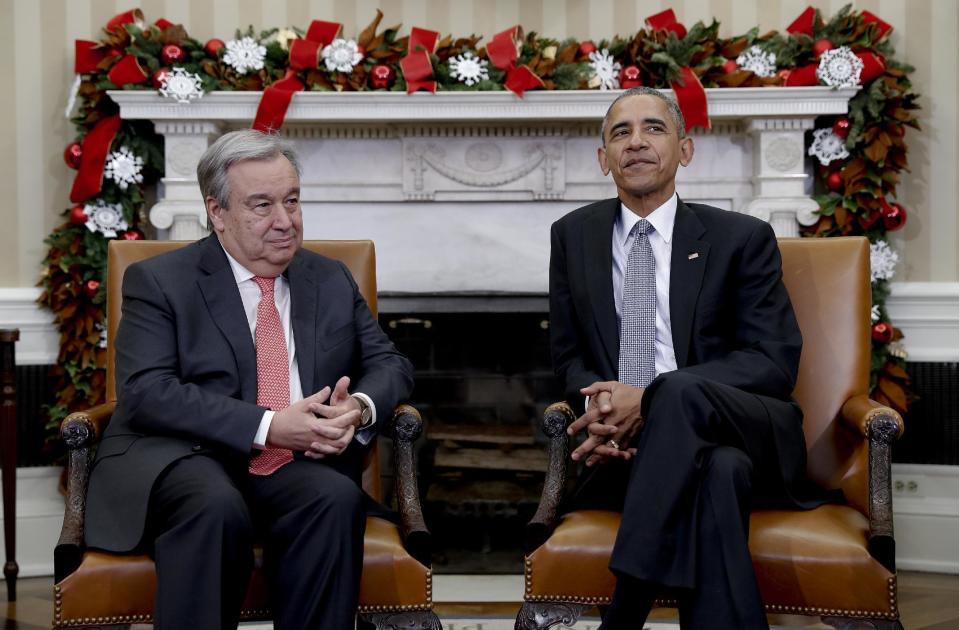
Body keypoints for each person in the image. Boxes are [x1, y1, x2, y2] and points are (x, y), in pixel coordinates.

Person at [83, 130, 414, 630]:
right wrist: (269, 425)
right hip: (184, 456)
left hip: (289, 466)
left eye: (292, 201)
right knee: (214, 504)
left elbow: (390, 364)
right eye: (262, 206)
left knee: (334, 498)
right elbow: (146, 393)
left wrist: (359, 408)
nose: (285, 222)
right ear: (217, 212)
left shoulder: (329, 277)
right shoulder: (160, 281)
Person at [549, 87, 810, 629]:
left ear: (685, 150)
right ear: (603, 160)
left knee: (679, 389)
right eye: (621, 133)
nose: (636, 142)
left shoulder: (742, 238)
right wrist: (598, 405)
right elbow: (569, 358)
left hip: (743, 429)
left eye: (654, 128)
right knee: (720, 473)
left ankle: (624, 612)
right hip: (626, 450)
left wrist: (653, 397)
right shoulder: (573, 236)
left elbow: (773, 361)